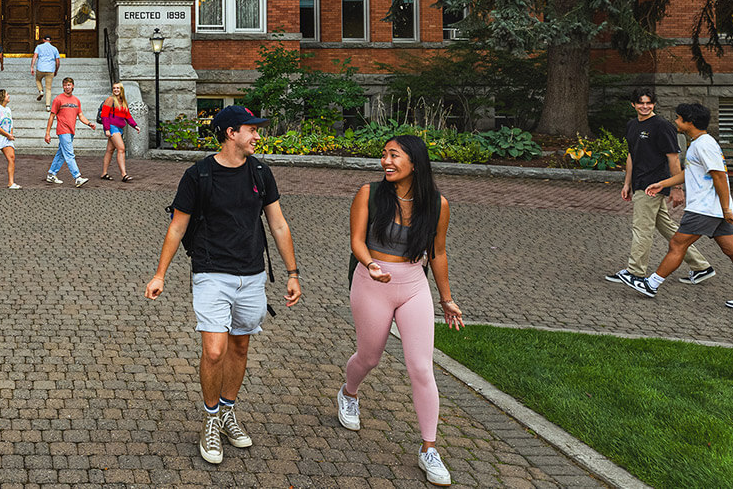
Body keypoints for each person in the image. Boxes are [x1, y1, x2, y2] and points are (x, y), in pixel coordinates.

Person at [144, 105, 302, 466]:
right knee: (214, 350)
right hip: (211, 272)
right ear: (231, 133)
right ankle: (211, 418)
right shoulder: (198, 175)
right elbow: (177, 227)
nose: (257, 136)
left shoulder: (261, 173)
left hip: (252, 275)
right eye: (252, 130)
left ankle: (228, 410)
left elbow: (278, 225)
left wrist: (292, 273)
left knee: (240, 348)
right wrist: (160, 274)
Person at [337, 135, 462, 486]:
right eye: (384, 155)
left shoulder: (437, 204)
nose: (386, 161)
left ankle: (429, 449)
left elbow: (438, 252)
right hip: (372, 280)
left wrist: (446, 298)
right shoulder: (370, 194)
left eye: (394, 155)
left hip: (412, 286)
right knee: (370, 357)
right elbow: (357, 241)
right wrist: (370, 265)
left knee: (421, 367)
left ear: (415, 162)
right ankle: (348, 393)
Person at [619, 103, 733, 312]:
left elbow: (719, 175)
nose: (675, 122)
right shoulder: (700, 143)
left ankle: (651, 284)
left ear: (689, 122)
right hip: (713, 209)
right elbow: (691, 172)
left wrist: (727, 209)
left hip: (704, 208)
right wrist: (664, 184)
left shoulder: (703, 145)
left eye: (679, 118)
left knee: (677, 244)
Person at [609, 88, 714, 286]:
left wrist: (676, 188)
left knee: (642, 228)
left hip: (655, 184)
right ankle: (701, 267)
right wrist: (627, 183)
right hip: (639, 182)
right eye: (641, 103)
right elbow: (632, 155)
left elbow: (673, 158)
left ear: (654, 104)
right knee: (666, 226)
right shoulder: (631, 125)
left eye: (649, 103)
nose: (645, 106)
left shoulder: (662, 126)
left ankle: (635, 272)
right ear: (633, 104)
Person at [43, 77, 96, 187]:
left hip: (71, 131)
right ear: (63, 86)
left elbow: (80, 115)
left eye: (69, 85)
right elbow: (52, 116)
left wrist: (89, 123)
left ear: (73, 86)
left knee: (61, 154)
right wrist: (47, 133)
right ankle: (77, 177)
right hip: (63, 130)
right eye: (65, 85)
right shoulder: (58, 99)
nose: (67, 87)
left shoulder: (76, 100)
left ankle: (51, 174)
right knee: (69, 154)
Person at [98, 82, 141, 182]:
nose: (116, 90)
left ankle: (104, 173)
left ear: (121, 89)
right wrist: (107, 129)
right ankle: (124, 175)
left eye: (118, 88)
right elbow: (104, 115)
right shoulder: (110, 99)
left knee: (110, 150)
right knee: (121, 148)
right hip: (112, 128)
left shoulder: (123, 102)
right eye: (114, 88)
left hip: (119, 128)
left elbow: (128, 116)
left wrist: (135, 125)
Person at [32, 34, 60, 111]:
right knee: (48, 89)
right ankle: (48, 106)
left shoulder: (39, 47)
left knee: (38, 80)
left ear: (44, 40)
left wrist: (32, 67)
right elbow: (57, 62)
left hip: (40, 68)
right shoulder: (54, 49)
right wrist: (56, 70)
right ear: (50, 41)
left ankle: (41, 91)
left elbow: (34, 57)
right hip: (50, 69)